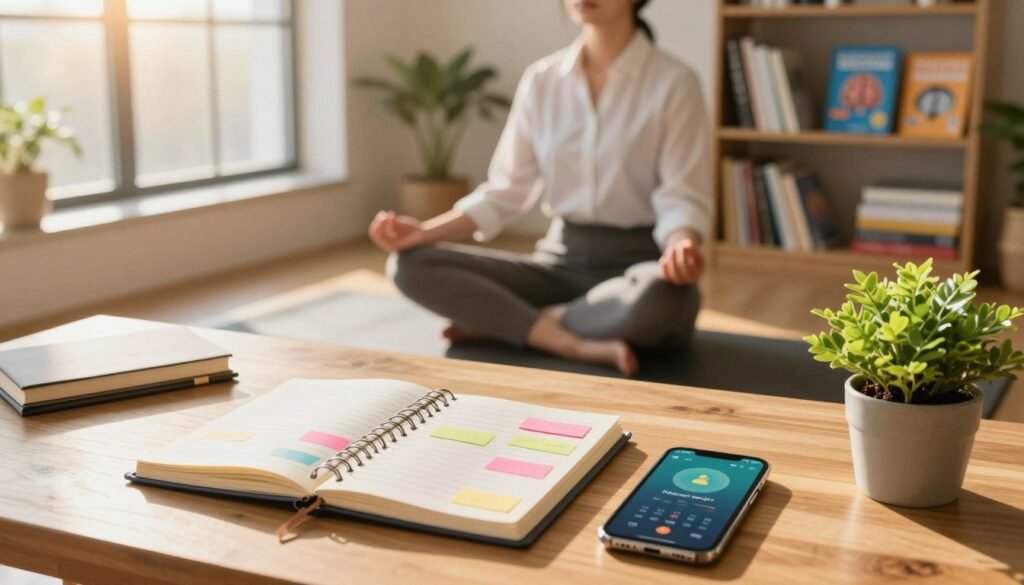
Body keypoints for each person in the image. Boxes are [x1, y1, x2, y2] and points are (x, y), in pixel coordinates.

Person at [369, 0, 711, 377]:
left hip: (638, 269)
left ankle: (512, 323)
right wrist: (423, 232)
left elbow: (680, 196)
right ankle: (567, 339)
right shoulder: (542, 80)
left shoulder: (675, 83)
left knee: (668, 300)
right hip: (558, 267)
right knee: (410, 265)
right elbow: (506, 191)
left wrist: (682, 246)